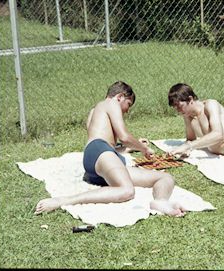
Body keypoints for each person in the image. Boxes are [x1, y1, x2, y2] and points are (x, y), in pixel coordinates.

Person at [35, 81, 185, 216]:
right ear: (119, 97)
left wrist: (128, 149)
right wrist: (143, 149)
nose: (127, 111)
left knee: (164, 177)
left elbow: (107, 142)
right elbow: (124, 136)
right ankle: (63, 201)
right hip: (101, 152)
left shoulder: (96, 110)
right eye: (128, 104)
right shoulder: (111, 104)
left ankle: (160, 201)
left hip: (98, 157)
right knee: (126, 190)